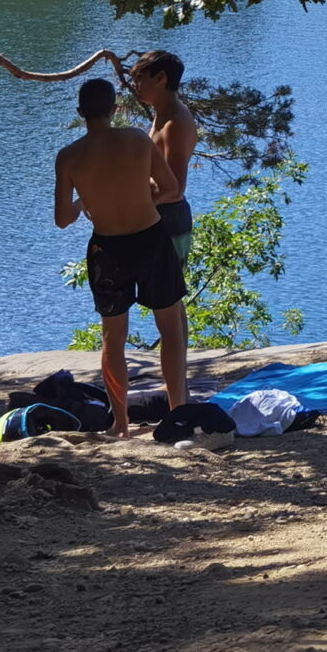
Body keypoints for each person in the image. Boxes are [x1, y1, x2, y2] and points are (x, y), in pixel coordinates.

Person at [55, 76, 188, 434]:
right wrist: (145, 200)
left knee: (113, 337)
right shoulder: (136, 139)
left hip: (106, 248)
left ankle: (121, 424)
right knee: (171, 330)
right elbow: (172, 189)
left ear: (81, 112)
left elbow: (63, 219)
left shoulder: (68, 157)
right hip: (149, 240)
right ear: (115, 109)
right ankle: (178, 413)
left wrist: (86, 199)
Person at [131, 48, 198, 267]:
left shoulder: (175, 124)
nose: (135, 85)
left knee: (167, 298)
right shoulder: (163, 113)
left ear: (161, 78)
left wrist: (132, 203)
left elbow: (175, 187)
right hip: (160, 215)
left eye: (140, 79)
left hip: (169, 218)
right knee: (158, 296)